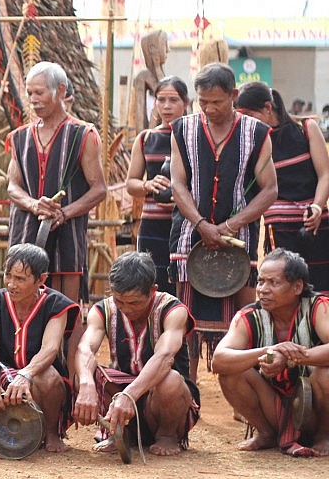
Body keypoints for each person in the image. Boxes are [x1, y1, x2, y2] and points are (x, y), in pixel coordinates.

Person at [170, 63, 277, 371]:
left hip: (240, 241)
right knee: (184, 322)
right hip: (189, 238)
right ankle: (187, 386)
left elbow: (269, 190)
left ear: (234, 95)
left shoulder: (257, 133)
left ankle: (242, 392)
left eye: (217, 101)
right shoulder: (182, 129)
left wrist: (230, 226)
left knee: (244, 318)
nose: (209, 108)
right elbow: (178, 184)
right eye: (203, 101)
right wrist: (201, 225)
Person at [74, 252, 200, 457]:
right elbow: (85, 348)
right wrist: (87, 383)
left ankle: (167, 435)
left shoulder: (173, 309)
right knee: (91, 372)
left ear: (153, 291)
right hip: (122, 398)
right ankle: (121, 434)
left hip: (163, 400)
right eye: (119, 301)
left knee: (170, 380)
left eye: (133, 303)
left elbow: (165, 356)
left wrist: (129, 395)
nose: (126, 309)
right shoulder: (103, 309)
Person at [6, 61, 107, 304]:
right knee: (22, 304)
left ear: (60, 91)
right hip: (25, 231)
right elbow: (12, 186)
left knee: (65, 308)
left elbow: (99, 189)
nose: (33, 99)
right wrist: (33, 205)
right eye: (30, 93)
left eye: (39, 92)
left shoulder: (84, 134)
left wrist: (64, 213)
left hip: (67, 236)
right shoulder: (20, 137)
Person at [212, 249, 329, 456]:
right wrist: (269, 351)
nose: (262, 290)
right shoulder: (249, 315)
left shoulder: (318, 307)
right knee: (231, 373)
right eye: (260, 282)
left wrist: (291, 358)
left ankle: (324, 435)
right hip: (272, 404)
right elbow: (219, 360)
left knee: (325, 374)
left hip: (317, 410)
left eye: (273, 283)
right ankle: (266, 432)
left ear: (297, 287)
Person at [0, 243, 76, 453]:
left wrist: (25, 375)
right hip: (2, 375)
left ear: (41, 280)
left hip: (40, 378)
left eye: (20, 279)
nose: (12, 284)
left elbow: (50, 349)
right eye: (8, 275)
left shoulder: (56, 304)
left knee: (48, 377)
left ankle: (51, 433)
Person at [234, 82, 329, 290]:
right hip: (278, 230)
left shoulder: (306, 129)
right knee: (285, 288)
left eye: (248, 114)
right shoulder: (252, 142)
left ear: (268, 108)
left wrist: (317, 206)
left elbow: (325, 174)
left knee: (322, 286)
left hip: (314, 223)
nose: (244, 121)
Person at [125, 75, 189, 294]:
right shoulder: (145, 139)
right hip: (152, 224)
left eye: (173, 100)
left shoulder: (193, 136)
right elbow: (131, 183)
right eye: (161, 100)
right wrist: (148, 185)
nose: (166, 106)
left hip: (185, 224)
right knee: (150, 281)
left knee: (183, 281)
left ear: (186, 103)